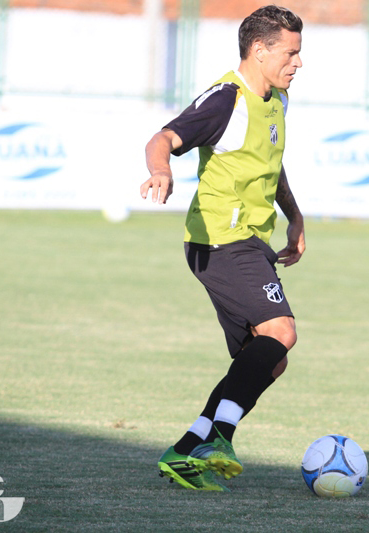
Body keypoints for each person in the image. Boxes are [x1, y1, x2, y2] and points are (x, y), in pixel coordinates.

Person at [140, 5, 305, 491]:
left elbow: (270, 165)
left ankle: (188, 449)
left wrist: (293, 215)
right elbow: (164, 137)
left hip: (250, 241)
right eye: (291, 53)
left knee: (269, 357)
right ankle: (222, 437)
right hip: (220, 240)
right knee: (282, 330)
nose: (298, 63)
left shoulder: (276, 100)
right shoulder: (226, 99)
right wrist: (161, 170)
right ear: (259, 50)